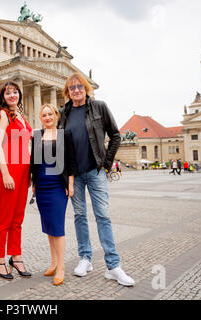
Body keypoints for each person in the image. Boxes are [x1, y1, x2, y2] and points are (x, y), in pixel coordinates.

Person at [58, 72, 135, 287]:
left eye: (79, 87)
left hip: (95, 171)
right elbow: (59, 142)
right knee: (80, 216)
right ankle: (85, 258)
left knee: (102, 215)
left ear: (86, 89)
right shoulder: (64, 112)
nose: (76, 90)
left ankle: (113, 266)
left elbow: (116, 135)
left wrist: (106, 163)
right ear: (67, 91)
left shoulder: (99, 107)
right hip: (75, 174)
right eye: (72, 87)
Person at [30, 104, 77, 286]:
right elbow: (35, 162)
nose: (47, 117)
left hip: (57, 184)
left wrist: (70, 184)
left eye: (50, 114)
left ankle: (61, 267)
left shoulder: (64, 135)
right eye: (44, 115)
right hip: (41, 183)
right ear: (41, 118)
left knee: (57, 227)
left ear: (56, 116)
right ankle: (53, 262)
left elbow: (71, 161)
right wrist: (34, 184)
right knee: (49, 226)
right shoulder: (37, 136)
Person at [0, 81, 32, 280]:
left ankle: (15, 256)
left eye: (15, 92)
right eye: (8, 93)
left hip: (23, 171)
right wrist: (5, 173)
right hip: (8, 169)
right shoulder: (2, 114)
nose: (12, 95)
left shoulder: (21, 116)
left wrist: (29, 173)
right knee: (5, 217)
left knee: (18, 218)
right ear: (3, 96)